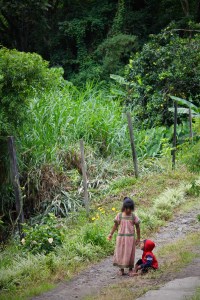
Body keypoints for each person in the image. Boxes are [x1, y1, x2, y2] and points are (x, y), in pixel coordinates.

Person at [108, 197, 140, 276]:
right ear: (124, 208)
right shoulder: (119, 215)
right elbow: (115, 225)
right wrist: (111, 234)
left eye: (130, 208)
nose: (128, 210)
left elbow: (138, 227)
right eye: (126, 208)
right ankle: (121, 269)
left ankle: (130, 269)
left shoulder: (133, 216)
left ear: (132, 208)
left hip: (130, 239)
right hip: (121, 238)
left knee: (130, 253)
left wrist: (138, 238)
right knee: (120, 252)